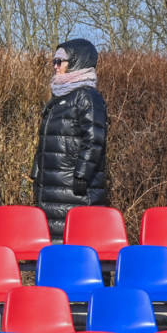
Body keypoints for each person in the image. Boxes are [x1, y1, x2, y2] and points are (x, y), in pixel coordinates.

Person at [31, 39, 108, 239]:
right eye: (54, 61)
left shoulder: (87, 97)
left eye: (60, 61)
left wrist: (81, 176)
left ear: (77, 62)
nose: (55, 66)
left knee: (77, 243)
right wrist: (37, 172)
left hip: (74, 189)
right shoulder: (59, 98)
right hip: (50, 187)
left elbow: (94, 140)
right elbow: (45, 143)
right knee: (55, 243)